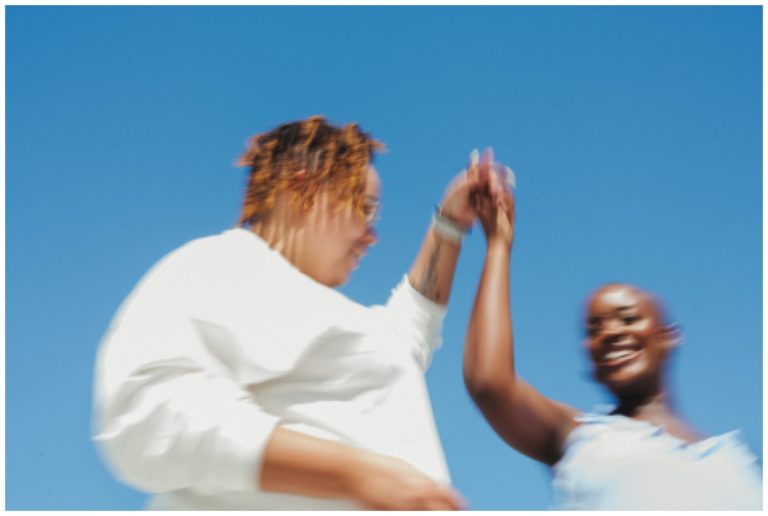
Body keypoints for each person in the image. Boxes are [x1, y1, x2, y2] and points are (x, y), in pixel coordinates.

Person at [92, 116, 502, 510]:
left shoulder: (341, 320)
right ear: (301, 187)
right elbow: (146, 412)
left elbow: (410, 331)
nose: (372, 235)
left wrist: (449, 225)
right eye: (366, 208)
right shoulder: (218, 266)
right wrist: (352, 472)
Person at [462, 164, 763, 510]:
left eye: (628, 318)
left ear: (668, 337)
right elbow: (490, 382)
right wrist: (498, 244)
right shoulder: (580, 436)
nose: (610, 333)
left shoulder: (740, 461)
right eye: (595, 329)